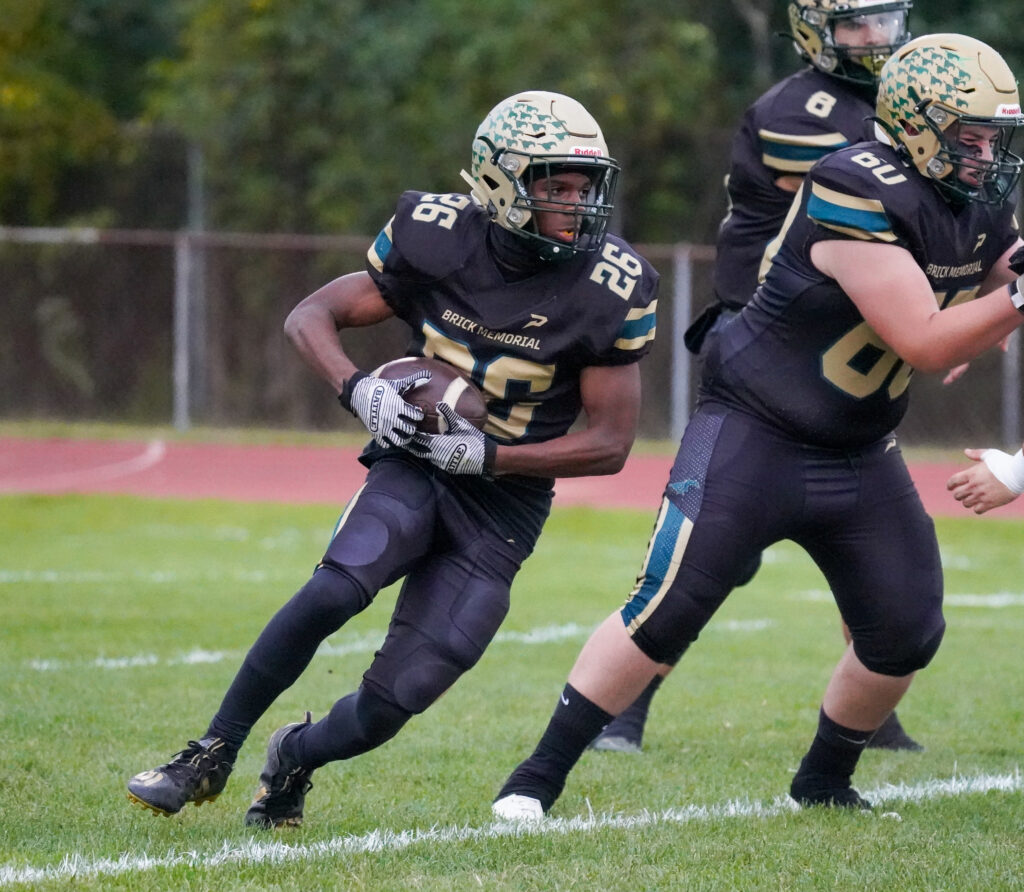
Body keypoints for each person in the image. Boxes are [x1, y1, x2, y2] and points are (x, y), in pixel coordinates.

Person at [493, 33, 1024, 819]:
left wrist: (996, 313)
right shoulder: (855, 181)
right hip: (758, 425)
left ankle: (822, 781)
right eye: (969, 135)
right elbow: (923, 336)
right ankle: (534, 781)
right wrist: (995, 313)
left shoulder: (974, 200)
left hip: (859, 444)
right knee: (667, 605)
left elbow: (1000, 272)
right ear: (917, 124)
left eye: (994, 137)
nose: (986, 154)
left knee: (906, 631)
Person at [126, 90, 659, 828]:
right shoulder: (438, 234)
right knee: (336, 590)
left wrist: (490, 458)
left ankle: (294, 758)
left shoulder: (611, 283)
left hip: (503, 503)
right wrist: (358, 392)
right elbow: (310, 314)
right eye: (555, 186)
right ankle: (209, 751)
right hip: (414, 460)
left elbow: (610, 445)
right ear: (501, 181)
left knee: (397, 698)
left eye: (583, 186)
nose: (576, 203)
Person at [591, 0, 922, 755]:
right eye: (857, 25)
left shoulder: (896, 102)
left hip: (840, 347)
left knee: (866, 533)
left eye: (886, 20)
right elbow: (899, 213)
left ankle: (875, 709)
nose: (876, 39)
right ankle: (620, 709)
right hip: (768, 346)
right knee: (720, 547)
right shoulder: (798, 113)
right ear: (814, 32)